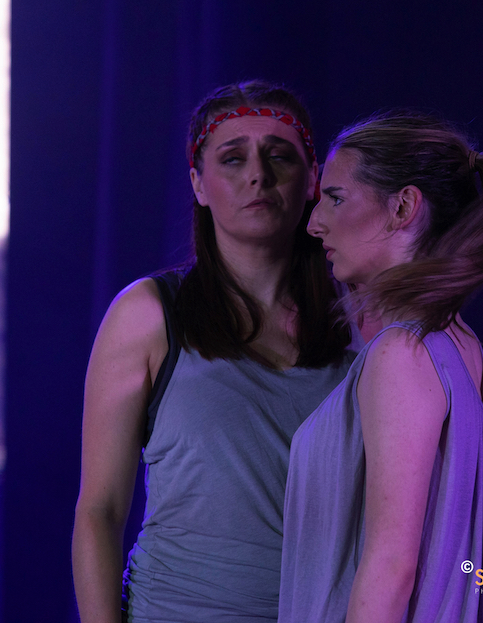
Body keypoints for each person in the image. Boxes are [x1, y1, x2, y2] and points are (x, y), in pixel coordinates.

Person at [71, 80, 355, 623]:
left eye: (279, 155)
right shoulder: (149, 314)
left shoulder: (357, 325)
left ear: (314, 179)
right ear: (198, 184)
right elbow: (99, 511)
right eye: (232, 158)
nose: (258, 175)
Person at [278, 111, 483, 623]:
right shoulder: (459, 343)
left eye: (336, 198)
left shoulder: (402, 353)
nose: (314, 222)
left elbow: (391, 569)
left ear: (402, 207)